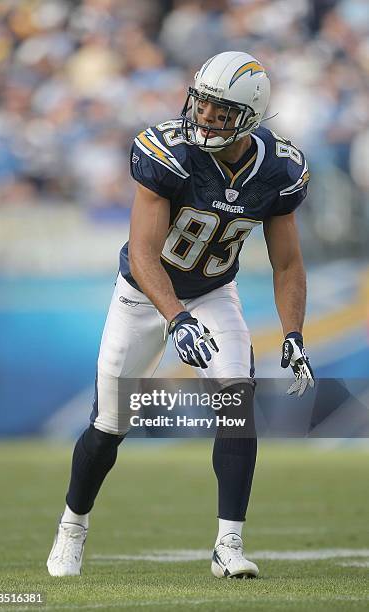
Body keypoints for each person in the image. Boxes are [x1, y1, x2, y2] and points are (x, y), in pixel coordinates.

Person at [47, 51, 314, 579]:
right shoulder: (167, 152)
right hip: (144, 295)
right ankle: (72, 526)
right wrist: (174, 318)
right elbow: (144, 254)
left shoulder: (280, 169)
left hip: (214, 292)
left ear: (250, 116)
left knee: (236, 401)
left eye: (221, 111)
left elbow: (287, 262)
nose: (206, 117)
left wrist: (294, 333)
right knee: (110, 424)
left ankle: (229, 545)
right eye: (203, 104)